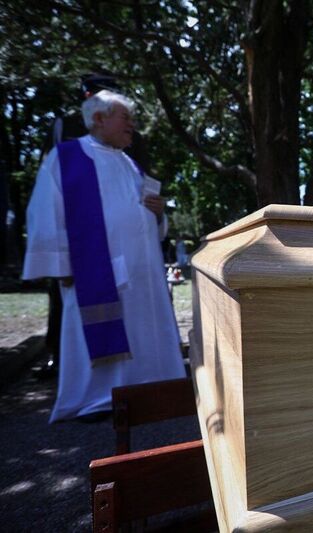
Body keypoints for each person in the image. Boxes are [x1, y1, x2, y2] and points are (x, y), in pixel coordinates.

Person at [22, 90, 185, 422]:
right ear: (98, 118)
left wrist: (159, 214)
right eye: (126, 117)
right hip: (95, 271)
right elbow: (45, 213)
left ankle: (149, 387)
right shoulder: (66, 158)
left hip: (143, 273)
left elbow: (151, 225)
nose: (133, 125)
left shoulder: (131, 165)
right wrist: (63, 265)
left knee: (143, 328)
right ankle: (98, 398)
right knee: (100, 330)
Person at [38, 74, 153, 378]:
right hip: (82, 235)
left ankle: (138, 369)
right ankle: (61, 357)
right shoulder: (68, 126)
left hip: (125, 241)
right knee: (69, 304)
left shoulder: (130, 137)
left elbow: (145, 179)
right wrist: (59, 259)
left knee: (132, 304)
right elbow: (53, 186)